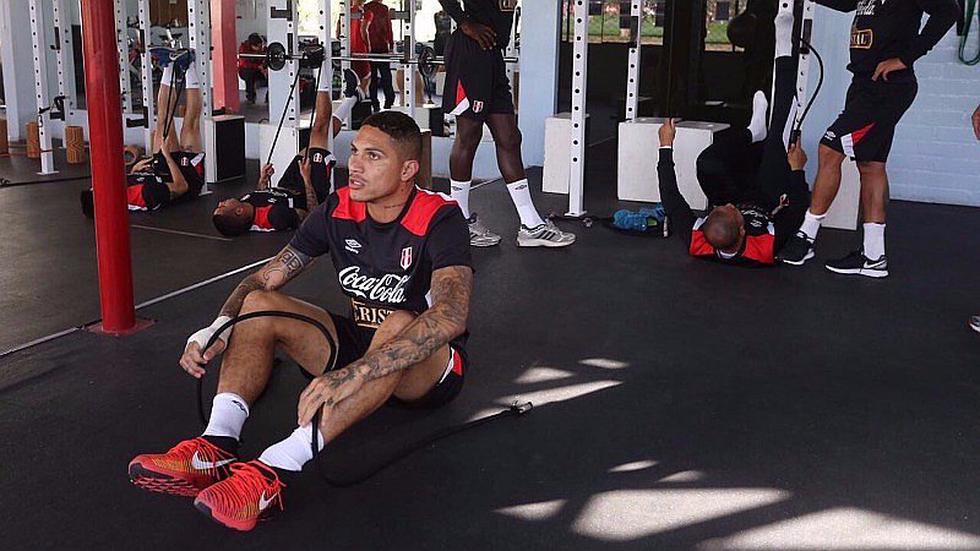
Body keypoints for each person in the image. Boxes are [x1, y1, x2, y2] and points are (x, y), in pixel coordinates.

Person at [127, 111, 473, 532]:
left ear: (407, 170)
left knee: (398, 320)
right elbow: (264, 277)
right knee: (258, 303)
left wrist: (355, 373)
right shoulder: (338, 209)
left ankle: (277, 468)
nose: (356, 165)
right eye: (356, 152)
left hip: (428, 371)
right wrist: (217, 327)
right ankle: (217, 442)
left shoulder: (439, 217)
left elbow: (452, 314)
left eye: (373, 156)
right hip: (355, 347)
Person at [778, 0, 960, 278]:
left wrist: (906, 58)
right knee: (871, 165)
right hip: (864, 85)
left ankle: (806, 237)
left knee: (829, 148)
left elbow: (949, 11)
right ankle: (874, 257)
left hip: (886, 87)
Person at [659, 4, 810, 267]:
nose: (729, 206)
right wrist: (798, 171)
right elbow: (797, 211)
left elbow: (670, 197)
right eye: (731, 212)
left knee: (707, 162)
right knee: (777, 140)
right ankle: (785, 50)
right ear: (743, 231)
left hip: (737, 185)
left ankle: (753, 132)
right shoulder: (764, 246)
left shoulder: (698, 238)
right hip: (768, 194)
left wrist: (665, 146)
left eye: (719, 208)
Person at [439, 0, 575, 248]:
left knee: (509, 137)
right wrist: (465, 22)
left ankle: (531, 225)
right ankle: (459, 222)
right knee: (468, 136)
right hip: (470, 53)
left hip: (493, 56)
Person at [211, 66, 356, 236]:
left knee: (318, 137)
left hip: (288, 184)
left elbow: (260, 196)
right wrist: (307, 179)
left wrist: (263, 181)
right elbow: (311, 216)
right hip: (310, 190)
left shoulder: (244, 203)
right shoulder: (275, 217)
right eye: (222, 207)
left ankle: (352, 98)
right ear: (238, 212)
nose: (221, 202)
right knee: (319, 129)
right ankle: (321, 66)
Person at [80, 53, 205, 217]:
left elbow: (135, 180)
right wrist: (166, 156)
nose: (97, 186)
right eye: (95, 190)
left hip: (160, 170)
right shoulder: (146, 197)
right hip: (186, 178)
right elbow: (181, 187)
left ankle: (168, 66)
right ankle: (189, 67)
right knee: (190, 124)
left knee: (162, 120)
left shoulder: (116, 189)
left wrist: (135, 170)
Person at [364, 0, 395, 112]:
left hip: (369, 47)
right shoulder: (383, 9)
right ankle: (389, 101)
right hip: (382, 46)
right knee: (386, 75)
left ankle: (374, 102)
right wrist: (391, 44)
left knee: (372, 77)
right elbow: (388, 28)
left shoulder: (365, 7)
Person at [338, 0, 373, 96]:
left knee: (349, 79)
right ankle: (361, 105)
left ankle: (350, 104)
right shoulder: (367, 12)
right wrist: (368, 46)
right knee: (365, 79)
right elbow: (363, 30)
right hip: (361, 48)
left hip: (348, 48)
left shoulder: (344, 12)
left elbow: (338, 32)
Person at [238, 33, 268, 104]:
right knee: (249, 74)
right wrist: (258, 67)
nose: (260, 49)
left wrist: (264, 67)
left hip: (259, 68)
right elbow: (244, 63)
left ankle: (269, 97)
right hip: (246, 70)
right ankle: (250, 96)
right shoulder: (243, 49)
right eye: (258, 47)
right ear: (252, 45)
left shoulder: (263, 49)